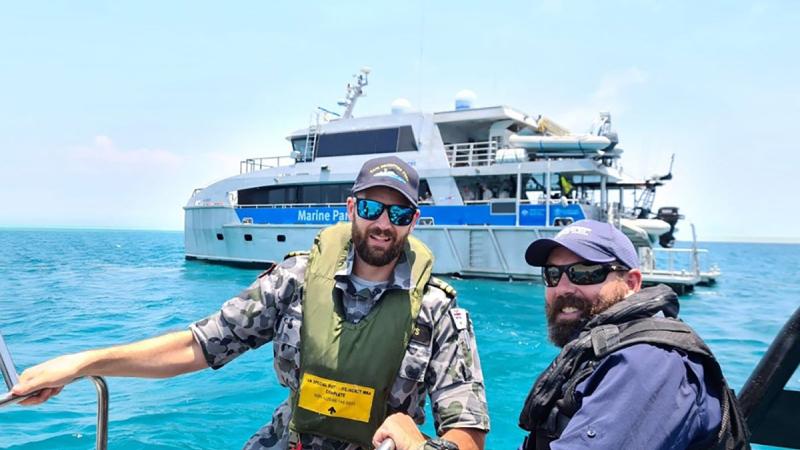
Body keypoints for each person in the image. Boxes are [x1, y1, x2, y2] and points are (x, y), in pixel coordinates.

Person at [11, 156, 490, 450]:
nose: (383, 222)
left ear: (414, 221)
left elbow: (468, 433)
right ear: (350, 210)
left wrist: (418, 445)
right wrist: (83, 363)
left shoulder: (438, 313)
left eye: (399, 212)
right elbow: (200, 345)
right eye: (370, 208)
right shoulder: (296, 280)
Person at [517, 219, 749, 450]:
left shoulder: (650, 362)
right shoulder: (599, 354)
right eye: (552, 275)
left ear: (632, 282)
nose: (562, 288)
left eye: (585, 273)